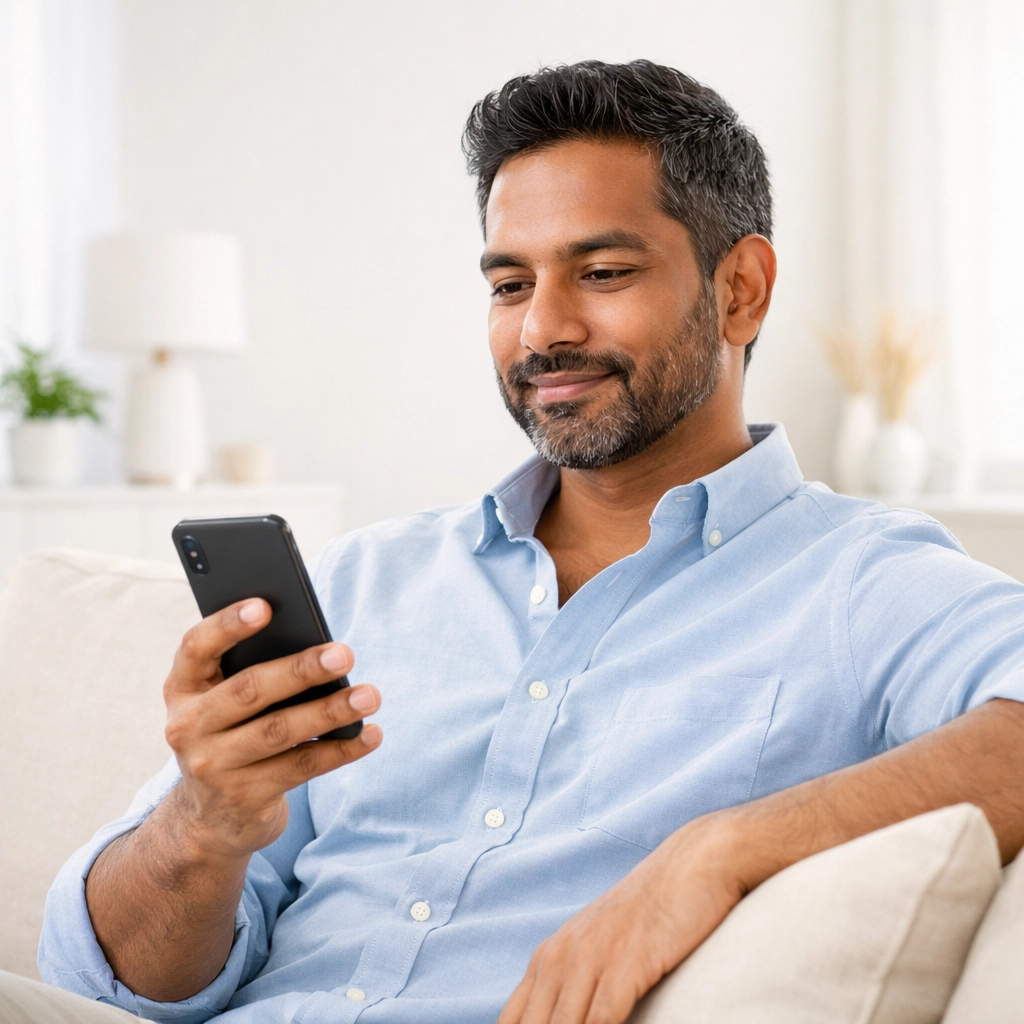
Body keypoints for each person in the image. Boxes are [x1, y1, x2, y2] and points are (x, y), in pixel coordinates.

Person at [27, 59, 1024, 1024]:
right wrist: (203, 823)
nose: (541, 329)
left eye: (599, 270)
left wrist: (716, 850)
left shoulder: (858, 579)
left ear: (741, 289)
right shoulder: (368, 580)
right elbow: (111, 984)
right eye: (508, 284)